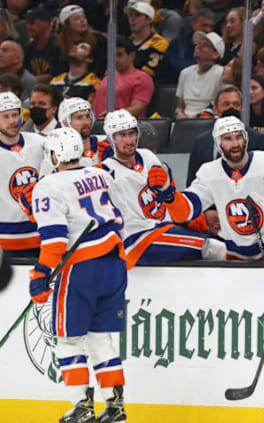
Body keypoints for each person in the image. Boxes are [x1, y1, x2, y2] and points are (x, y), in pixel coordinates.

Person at [28, 127, 128, 423]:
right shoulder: (99, 174)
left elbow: (56, 241)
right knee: (100, 340)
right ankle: (115, 406)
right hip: (113, 263)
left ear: (56, 155)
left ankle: (82, 407)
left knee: (68, 340)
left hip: (81, 267)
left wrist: (39, 275)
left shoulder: (47, 186)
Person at [99, 109, 226, 268]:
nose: (129, 140)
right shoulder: (106, 172)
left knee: (220, 240)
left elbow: (166, 197)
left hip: (163, 228)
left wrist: (167, 191)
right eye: (122, 135)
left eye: (131, 133)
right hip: (137, 240)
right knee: (214, 248)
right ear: (111, 138)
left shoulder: (147, 156)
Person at [154, 116, 264, 260]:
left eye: (238, 137)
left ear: (245, 139)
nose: (235, 143)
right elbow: (186, 210)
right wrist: (170, 195)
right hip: (234, 258)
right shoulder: (209, 173)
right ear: (218, 144)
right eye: (228, 139)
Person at [0, 91, 45, 256]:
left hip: (39, 237)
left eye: (15, 114)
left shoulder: (39, 143)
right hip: (4, 241)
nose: (12, 121)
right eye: (5, 116)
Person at [93, 37, 154, 118]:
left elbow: (137, 109)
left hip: (123, 127)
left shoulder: (142, 78)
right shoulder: (107, 77)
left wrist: (113, 115)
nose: (115, 60)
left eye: (119, 55)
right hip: (98, 126)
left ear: (132, 56)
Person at [175, 31, 225, 119]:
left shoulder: (221, 73)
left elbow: (221, 105)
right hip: (184, 121)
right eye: (199, 44)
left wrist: (199, 117)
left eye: (205, 45)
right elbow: (180, 105)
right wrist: (179, 113)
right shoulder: (185, 73)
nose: (198, 46)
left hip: (209, 120)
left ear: (216, 54)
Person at [160, 8, 215, 84]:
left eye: (211, 27)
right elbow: (177, 68)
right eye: (204, 25)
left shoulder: (216, 48)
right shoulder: (178, 44)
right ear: (193, 25)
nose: (208, 30)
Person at [58, 5, 108, 78]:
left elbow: (102, 66)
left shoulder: (99, 40)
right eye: (76, 19)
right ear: (67, 25)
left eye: (84, 17)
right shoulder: (60, 45)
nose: (82, 20)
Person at [58, 97, 109, 167]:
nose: (86, 122)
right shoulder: (57, 152)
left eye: (88, 116)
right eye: (79, 118)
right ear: (65, 122)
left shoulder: (106, 144)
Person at [125, 1, 168, 78]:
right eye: (130, 15)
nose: (132, 19)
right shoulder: (125, 42)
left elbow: (146, 74)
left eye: (137, 15)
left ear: (149, 20)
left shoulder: (158, 42)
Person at [23, 6, 63, 85]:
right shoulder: (29, 47)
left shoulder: (59, 45)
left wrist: (30, 81)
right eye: (27, 23)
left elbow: (58, 75)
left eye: (32, 23)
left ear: (47, 23)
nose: (28, 27)